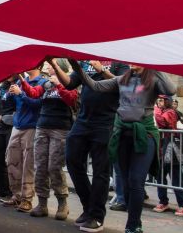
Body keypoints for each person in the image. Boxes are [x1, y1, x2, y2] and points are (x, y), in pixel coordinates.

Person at [74, 64, 176, 233]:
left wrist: (155, 65)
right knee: (127, 184)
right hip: (122, 134)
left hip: (145, 134)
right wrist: (75, 66)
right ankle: (134, 220)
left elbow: (171, 90)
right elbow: (95, 85)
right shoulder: (122, 79)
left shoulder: (153, 79)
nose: (132, 61)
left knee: (136, 180)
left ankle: (133, 225)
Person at [51, 58, 128, 231]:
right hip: (83, 120)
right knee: (72, 160)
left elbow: (124, 85)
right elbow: (70, 83)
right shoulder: (85, 60)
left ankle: (97, 216)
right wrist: (55, 66)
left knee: (101, 171)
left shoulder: (119, 61)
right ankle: (88, 208)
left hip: (106, 122)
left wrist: (102, 70)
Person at [19, 65, 77, 221]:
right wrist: (21, 79)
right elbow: (34, 93)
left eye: (51, 66)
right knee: (40, 166)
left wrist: (58, 84)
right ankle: (42, 203)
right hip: (42, 126)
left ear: (61, 68)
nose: (48, 68)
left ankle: (62, 203)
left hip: (61, 128)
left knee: (54, 166)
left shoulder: (70, 82)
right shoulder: (46, 84)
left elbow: (71, 99)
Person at [0, 68, 45, 213]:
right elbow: (8, 101)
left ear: (39, 66)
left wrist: (22, 94)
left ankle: (27, 199)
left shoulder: (42, 82)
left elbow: (38, 104)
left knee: (28, 164)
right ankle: (16, 195)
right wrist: (9, 93)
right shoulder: (19, 81)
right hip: (17, 125)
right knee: (11, 160)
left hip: (32, 126)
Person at [153, 95, 183, 216]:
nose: (159, 102)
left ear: (167, 101)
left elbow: (163, 121)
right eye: (158, 100)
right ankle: (163, 201)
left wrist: (155, 110)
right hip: (162, 147)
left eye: (162, 100)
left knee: (176, 177)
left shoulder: (171, 112)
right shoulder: (162, 110)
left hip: (172, 148)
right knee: (160, 176)